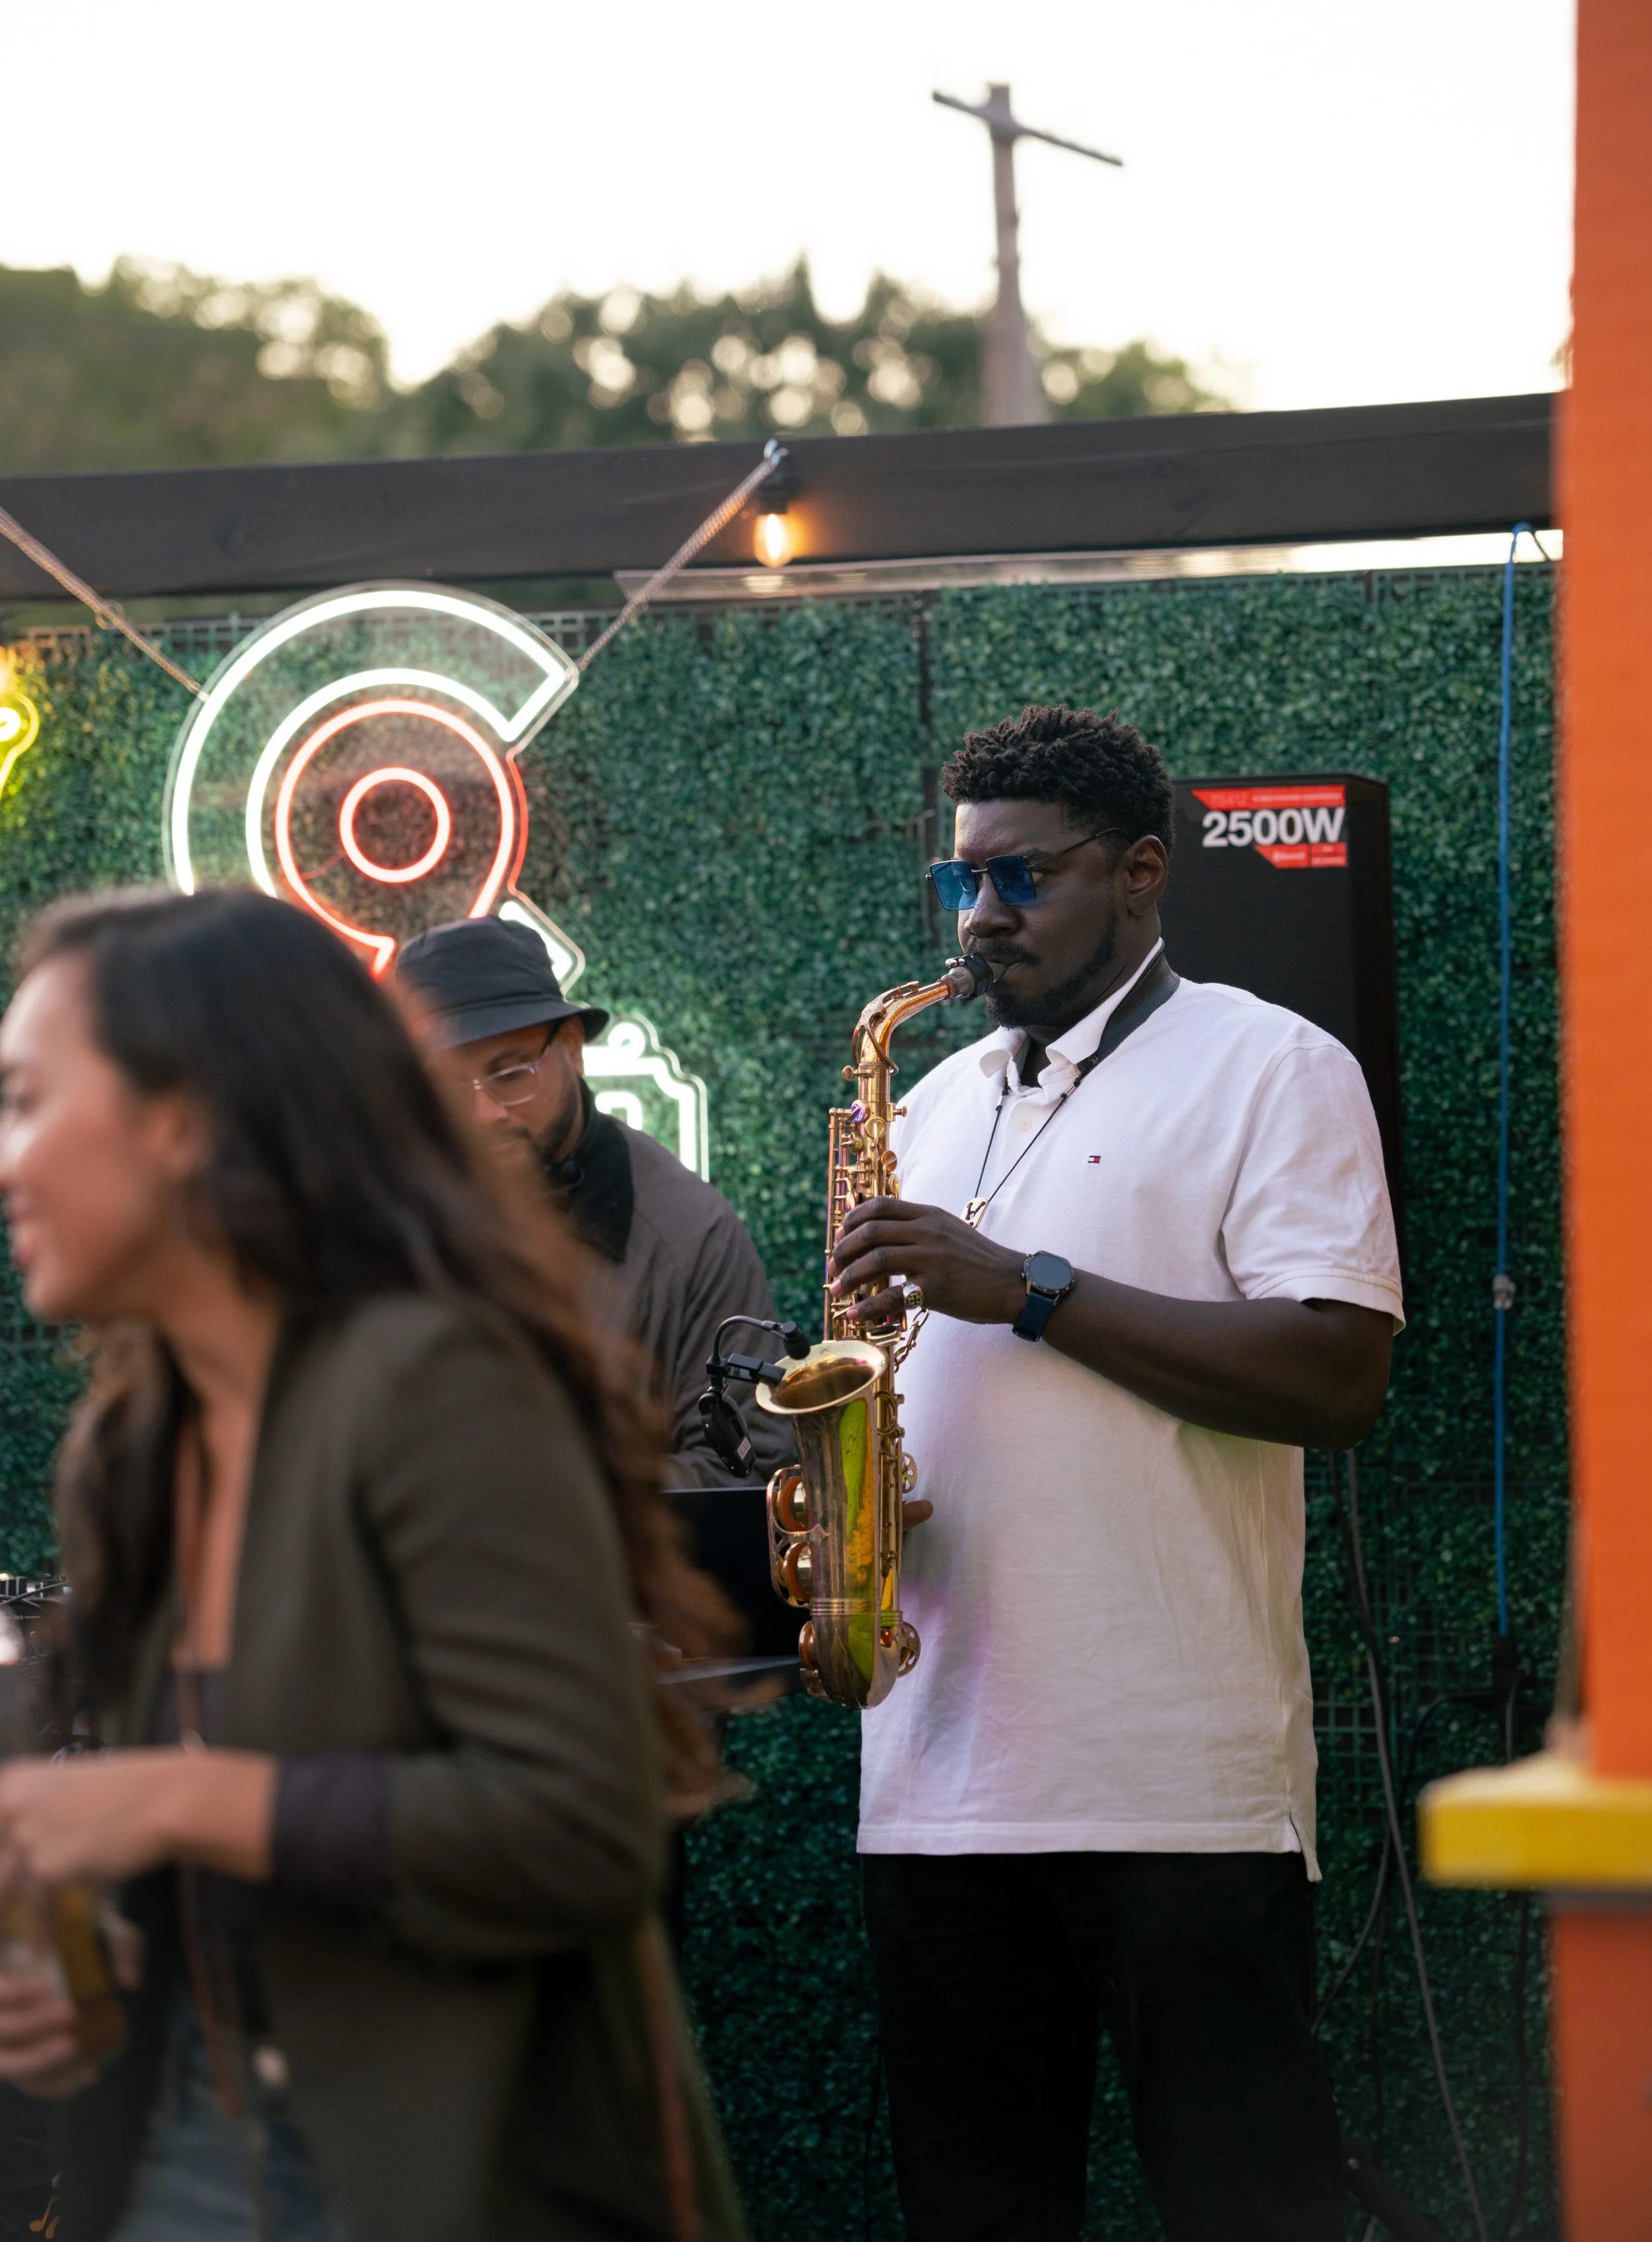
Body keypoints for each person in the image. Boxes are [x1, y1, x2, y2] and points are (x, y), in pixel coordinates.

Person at [0, 888, 744, 2242]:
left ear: (187, 1123)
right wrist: (92, 1978)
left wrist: (172, 1798)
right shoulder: (134, 1432)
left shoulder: (439, 1382)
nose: (9, 1161)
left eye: (32, 1101)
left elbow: (577, 1833)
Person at [830, 705, 1402, 2242]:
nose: (981, 918)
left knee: (1249, 2205)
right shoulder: (934, 1101)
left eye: (1022, 879)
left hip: (1173, 1782)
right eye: (962, 883)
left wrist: (1022, 1284)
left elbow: (1337, 1376)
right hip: (935, 1782)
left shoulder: (1274, 1065)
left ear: (1140, 871)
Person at [397, 919, 792, 1488]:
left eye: (510, 1075)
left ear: (575, 1051)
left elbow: (749, 1472)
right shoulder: (381, 1215)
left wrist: (553, 1503)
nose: (484, 1113)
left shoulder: (689, 1232)